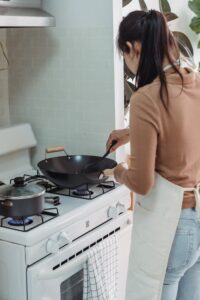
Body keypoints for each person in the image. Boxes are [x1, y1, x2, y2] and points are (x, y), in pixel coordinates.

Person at [106, 9, 200, 300]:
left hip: (171, 228)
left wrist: (115, 170)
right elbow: (182, 125)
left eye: (125, 55)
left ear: (133, 48)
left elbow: (142, 182)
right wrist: (133, 132)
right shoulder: (193, 80)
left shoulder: (146, 98)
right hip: (196, 221)